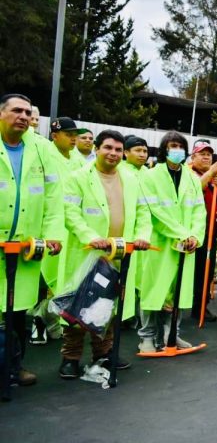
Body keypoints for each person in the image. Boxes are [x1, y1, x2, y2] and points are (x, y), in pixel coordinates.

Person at [57, 130, 152, 379]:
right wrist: (90, 237)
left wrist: (142, 235)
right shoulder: (77, 177)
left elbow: (143, 212)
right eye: (108, 148)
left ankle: (103, 353)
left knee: (109, 305)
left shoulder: (131, 179)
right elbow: (70, 212)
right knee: (78, 306)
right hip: (88, 252)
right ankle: (70, 357)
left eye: (118, 150)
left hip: (120, 253)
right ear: (97, 149)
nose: (113, 153)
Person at [0, 94, 64, 386]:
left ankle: (14, 367)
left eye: (28, 112)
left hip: (26, 248)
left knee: (18, 313)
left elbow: (53, 197)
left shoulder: (41, 150)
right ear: (2, 114)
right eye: (17, 110)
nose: (24, 116)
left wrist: (51, 234)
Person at [136, 131, 205, 352]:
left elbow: (199, 211)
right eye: (172, 146)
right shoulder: (150, 176)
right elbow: (154, 211)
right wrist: (182, 233)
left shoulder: (192, 178)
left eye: (180, 146)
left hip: (186, 245)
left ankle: (171, 334)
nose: (177, 150)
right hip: (160, 243)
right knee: (153, 289)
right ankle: (146, 337)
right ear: (164, 148)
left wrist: (195, 235)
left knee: (178, 290)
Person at [188, 141, 217, 323]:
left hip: (210, 229)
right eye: (202, 154)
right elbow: (193, 190)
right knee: (189, 270)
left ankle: (200, 306)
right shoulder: (188, 172)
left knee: (206, 271)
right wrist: (210, 174)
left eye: (209, 154)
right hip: (191, 230)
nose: (206, 157)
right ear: (193, 157)